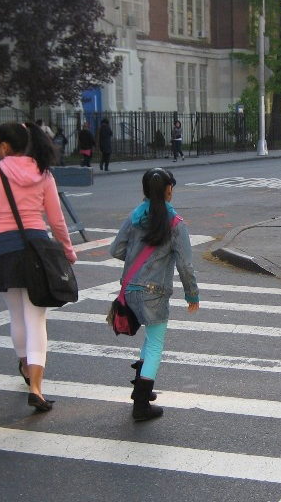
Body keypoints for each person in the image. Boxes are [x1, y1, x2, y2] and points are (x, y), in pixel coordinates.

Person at [0, 121, 77, 412]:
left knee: (16, 315)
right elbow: (56, 220)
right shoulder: (43, 173)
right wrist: (67, 249)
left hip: (5, 250)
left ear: (4, 146)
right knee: (35, 318)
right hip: (37, 250)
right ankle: (36, 387)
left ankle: (26, 368)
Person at [111, 168, 200, 421]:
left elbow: (116, 248)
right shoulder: (176, 225)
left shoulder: (134, 218)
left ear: (145, 191)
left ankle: (142, 388)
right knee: (155, 345)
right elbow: (185, 265)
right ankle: (141, 404)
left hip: (129, 290)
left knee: (149, 342)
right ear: (169, 190)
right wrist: (192, 295)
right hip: (155, 293)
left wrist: (133, 259)